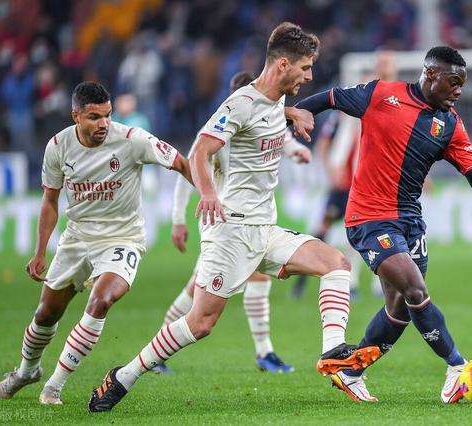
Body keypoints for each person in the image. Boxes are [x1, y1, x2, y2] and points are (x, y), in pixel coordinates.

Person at [88, 22, 382, 413]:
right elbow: (199, 151)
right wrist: (209, 193)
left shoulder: (275, 99)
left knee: (336, 264)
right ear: (282, 65)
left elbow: (270, 109)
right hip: (230, 233)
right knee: (200, 323)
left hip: (264, 229)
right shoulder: (239, 104)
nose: (310, 76)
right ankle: (124, 376)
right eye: (305, 67)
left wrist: (291, 113)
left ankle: (334, 355)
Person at [293, 46, 472, 403]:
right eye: (454, 82)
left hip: (410, 221)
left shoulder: (450, 124)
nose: (458, 91)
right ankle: (457, 367)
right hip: (369, 218)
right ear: (431, 74)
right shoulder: (380, 95)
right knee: (416, 290)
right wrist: (294, 114)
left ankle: (351, 372)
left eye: (462, 85)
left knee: (400, 309)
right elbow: (330, 97)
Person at [0, 82, 193, 405]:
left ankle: (54, 386)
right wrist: (40, 251)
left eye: (107, 115)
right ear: (76, 116)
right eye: (94, 117)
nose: (103, 124)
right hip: (77, 238)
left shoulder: (132, 140)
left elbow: (182, 163)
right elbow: (50, 200)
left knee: (101, 300)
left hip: (123, 238)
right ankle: (26, 372)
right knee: (46, 313)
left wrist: (211, 197)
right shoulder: (58, 146)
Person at [157, 71, 312, 375]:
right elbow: (188, 167)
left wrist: (297, 152)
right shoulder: (221, 128)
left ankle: (161, 345)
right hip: (223, 218)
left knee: (198, 286)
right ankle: (264, 352)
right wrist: (177, 219)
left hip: (249, 217)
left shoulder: (265, 119)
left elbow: (281, 140)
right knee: (254, 277)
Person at [292, 50, 398, 300]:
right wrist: (332, 170)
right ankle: (301, 280)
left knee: (372, 230)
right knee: (325, 227)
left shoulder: (387, 109)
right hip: (344, 182)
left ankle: (365, 284)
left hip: (370, 183)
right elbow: (323, 144)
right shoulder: (344, 115)